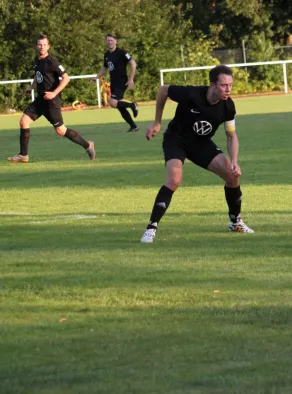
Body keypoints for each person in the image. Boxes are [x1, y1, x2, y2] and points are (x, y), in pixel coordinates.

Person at [140, 64, 254, 243]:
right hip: (176, 139)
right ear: (213, 85)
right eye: (224, 85)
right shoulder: (191, 94)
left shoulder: (228, 106)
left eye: (230, 85)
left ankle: (235, 222)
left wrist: (234, 161)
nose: (228, 89)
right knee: (174, 179)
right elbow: (163, 90)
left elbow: (231, 136)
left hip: (201, 144)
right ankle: (151, 228)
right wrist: (157, 123)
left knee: (232, 177)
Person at [7, 34, 95, 163]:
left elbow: (66, 78)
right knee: (23, 122)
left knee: (61, 130)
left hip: (51, 102)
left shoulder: (52, 62)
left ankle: (88, 145)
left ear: (48, 46)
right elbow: (38, 77)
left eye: (44, 45)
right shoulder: (37, 61)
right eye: (39, 45)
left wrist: (54, 93)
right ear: (36, 46)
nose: (41, 47)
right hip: (40, 100)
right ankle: (23, 155)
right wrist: (31, 88)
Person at [90, 33, 139, 132]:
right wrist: (96, 78)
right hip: (114, 83)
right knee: (119, 106)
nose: (109, 42)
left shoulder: (122, 52)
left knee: (112, 102)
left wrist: (131, 79)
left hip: (122, 81)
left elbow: (133, 63)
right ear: (106, 42)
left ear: (115, 41)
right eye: (108, 40)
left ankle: (132, 105)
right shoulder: (107, 55)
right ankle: (133, 126)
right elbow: (104, 69)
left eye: (111, 40)